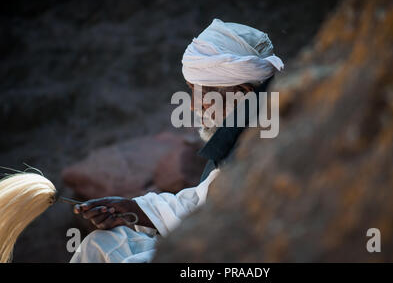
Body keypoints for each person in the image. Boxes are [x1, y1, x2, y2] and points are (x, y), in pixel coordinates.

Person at [70, 18, 283, 262]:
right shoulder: (243, 134)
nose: (192, 104)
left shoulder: (262, 147)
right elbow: (205, 200)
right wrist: (135, 210)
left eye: (202, 91)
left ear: (243, 93)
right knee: (98, 244)